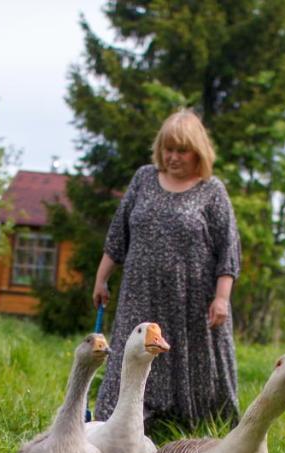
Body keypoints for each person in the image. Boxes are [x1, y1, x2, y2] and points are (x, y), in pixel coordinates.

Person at [92, 109, 241, 431]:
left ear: (197, 151)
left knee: (197, 372)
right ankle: (114, 430)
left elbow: (227, 250)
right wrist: (101, 278)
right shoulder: (144, 178)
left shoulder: (211, 191)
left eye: (181, 150)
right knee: (128, 360)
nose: (173, 157)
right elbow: (119, 234)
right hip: (139, 295)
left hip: (190, 301)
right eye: (168, 149)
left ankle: (195, 432)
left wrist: (222, 299)